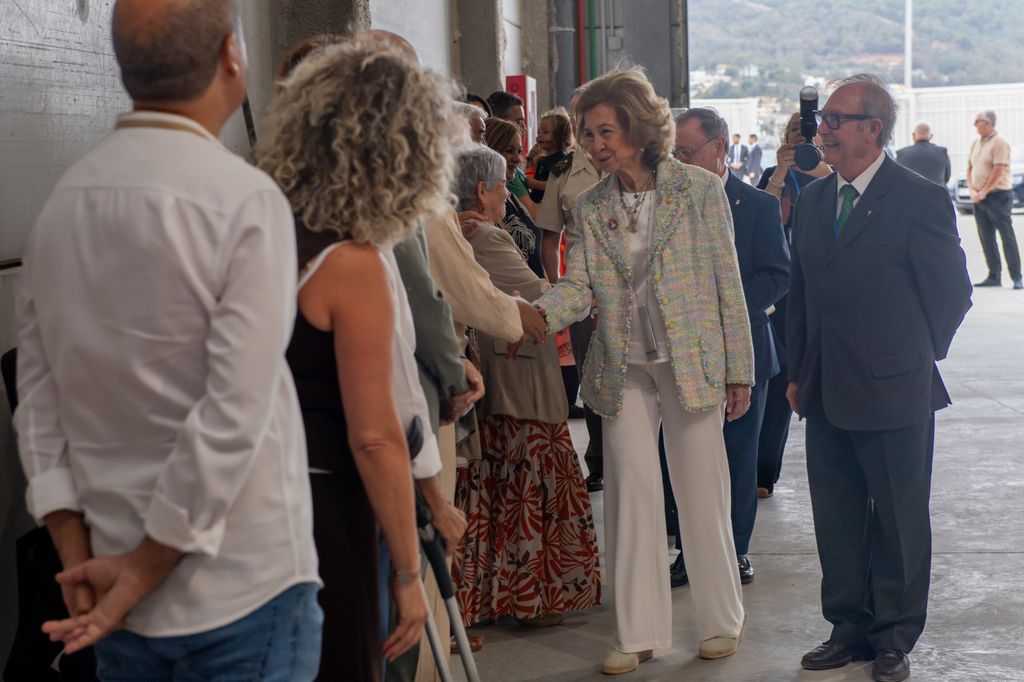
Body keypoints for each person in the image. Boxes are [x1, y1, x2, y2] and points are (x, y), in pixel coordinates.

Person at [16, 1, 323, 679]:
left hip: (108, 585)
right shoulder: (245, 200)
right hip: (240, 586)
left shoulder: (61, 206)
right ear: (230, 56)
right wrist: (143, 568)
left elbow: (37, 403)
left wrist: (79, 558)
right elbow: (235, 410)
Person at [258, 40, 467, 680]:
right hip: (325, 504)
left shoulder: (255, 226)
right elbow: (380, 431)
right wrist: (407, 569)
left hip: (245, 491)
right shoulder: (353, 261)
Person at [535, 67, 753, 674]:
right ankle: (639, 633)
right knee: (631, 494)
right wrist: (531, 315)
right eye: (587, 133)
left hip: (691, 360)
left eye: (605, 131)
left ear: (638, 127)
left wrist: (739, 369)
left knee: (701, 490)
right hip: (621, 366)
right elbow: (577, 286)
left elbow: (728, 283)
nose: (594, 144)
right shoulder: (589, 204)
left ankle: (722, 620)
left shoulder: (698, 190)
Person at [786, 74, 972, 682]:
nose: (823, 128)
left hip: (896, 386)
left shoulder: (920, 198)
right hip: (824, 387)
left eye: (835, 119)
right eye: (824, 118)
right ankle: (847, 627)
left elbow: (952, 291)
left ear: (873, 129)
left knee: (898, 517)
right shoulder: (814, 200)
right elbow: (801, 293)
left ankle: (893, 635)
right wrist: (798, 370)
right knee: (836, 516)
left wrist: (916, 355)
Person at [450, 146, 601, 629]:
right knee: (530, 477)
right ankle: (532, 597)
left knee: (502, 483)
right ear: (481, 191)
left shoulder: (463, 230)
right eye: (501, 186)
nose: (506, 193)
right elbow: (536, 296)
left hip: (501, 371)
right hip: (519, 375)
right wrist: (587, 289)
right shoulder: (486, 235)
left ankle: (501, 595)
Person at [672, 107, 790, 585]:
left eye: (687, 152)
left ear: (719, 147)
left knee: (738, 458)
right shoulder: (669, 204)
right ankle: (688, 552)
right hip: (684, 354)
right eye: (674, 153)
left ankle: (735, 551)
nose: (679, 162)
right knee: (684, 459)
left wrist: (722, 309)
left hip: (745, 352)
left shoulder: (756, 206)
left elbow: (777, 276)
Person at [754, 111, 831, 499]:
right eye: (794, 134)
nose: (802, 140)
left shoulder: (835, 175)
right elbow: (756, 220)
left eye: (808, 134)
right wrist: (781, 173)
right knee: (778, 381)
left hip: (823, 290)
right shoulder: (774, 174)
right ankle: (762, 473)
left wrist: (820, 169)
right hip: (782, 292)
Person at [536, 93, 605, 493]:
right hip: (582, 290)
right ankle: (599, 460)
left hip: (631, 293)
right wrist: (555, 288)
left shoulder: (632, 162)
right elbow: (550, 238)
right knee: (591, 376)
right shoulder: (564, 169)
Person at [485, 117, 547, 279]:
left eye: (519, 151)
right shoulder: (483, 206)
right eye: (509, 151)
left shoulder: (512, 198)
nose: (517, 158)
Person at [967, 110, 1021, 289]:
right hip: (979, 198)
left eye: (977, 121)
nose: (975, 124)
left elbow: (999, 170)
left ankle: (1016, 277)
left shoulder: (1000, 142)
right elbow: (970, 167)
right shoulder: (976, 142)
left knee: (1006, 236)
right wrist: (972, 190)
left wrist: (984, 191)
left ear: (988, 123)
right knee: (986, 237)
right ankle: (994, 275)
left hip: (998, 196)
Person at [527, 108, 573, 204]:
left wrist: (533, 183)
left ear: (560, 136)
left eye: (545, 132)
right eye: (539, 132)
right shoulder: (541, 159)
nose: (539, 136)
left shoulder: (563, 159)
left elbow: (556, 185)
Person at [895, 122, 951, 187]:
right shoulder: (942, 152)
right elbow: (947, 177)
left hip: (909, 193)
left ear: (913, 136)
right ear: (931, 136)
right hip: (937, 193)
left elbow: (897, 178)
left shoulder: (901, 154)